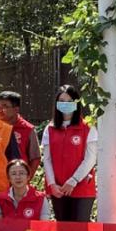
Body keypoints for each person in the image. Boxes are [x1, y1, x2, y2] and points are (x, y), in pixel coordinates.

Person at [41, 84, 98, 223]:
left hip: (82, 187)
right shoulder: (50, 129)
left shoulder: (87, 127)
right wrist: (52, 184)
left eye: (69, 101)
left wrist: (73, 180)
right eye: (62, 101)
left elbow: (91, 158)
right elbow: (47, 159)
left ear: (76, 103)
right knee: (63, 229)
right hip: (58, 188)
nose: (65, 104)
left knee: (80, 228)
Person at [0, 91, 42, 180]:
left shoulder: (28, 129)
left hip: (17, 180)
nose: (0, 110)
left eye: (5, 106)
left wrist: (26, 179)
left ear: (16, 109)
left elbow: (35, 158)